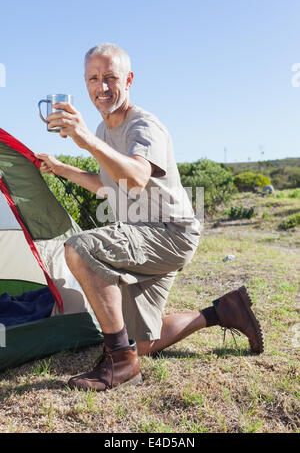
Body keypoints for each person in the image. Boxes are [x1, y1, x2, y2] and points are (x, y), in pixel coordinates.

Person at [35, 43, 264, 392]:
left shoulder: (144, 126)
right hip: (145, 237)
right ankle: (222, 312)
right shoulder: (103, 131)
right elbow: (111, 184)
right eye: (94, 78)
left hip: (168, 233)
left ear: (128, 79)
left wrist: (82, 140)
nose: (102, 87)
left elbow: (137, 177)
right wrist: (63, 169)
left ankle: (121, 365)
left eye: (110, 77)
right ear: (85, 83)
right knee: (136, 343)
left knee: (80, 249)